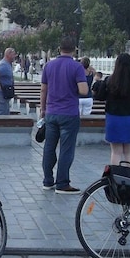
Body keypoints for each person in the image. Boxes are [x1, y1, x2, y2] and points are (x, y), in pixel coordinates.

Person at [40, 36, 88, 194]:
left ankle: (48, 180)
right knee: (66, 149)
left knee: (49, 147)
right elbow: (83, 90)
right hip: (69, 113)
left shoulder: (49, 66)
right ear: (74, 50)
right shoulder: (77, 67)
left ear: (59, 49)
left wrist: (43, 109)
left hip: (51, 112)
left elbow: (43, 90)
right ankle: (62, 183)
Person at [103, 53, 130, 166]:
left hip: (113, 117)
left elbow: (101, 96)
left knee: (116, 152)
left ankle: (116, 177)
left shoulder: (110, 81)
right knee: (129, 151)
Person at [0, 47, 16, 115]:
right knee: (0, 112)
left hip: (6, 92)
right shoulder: (3, 65)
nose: (14, 56)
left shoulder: (8, 64)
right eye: (13, 54)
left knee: (5, 111)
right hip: (2, 92)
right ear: (8, 54)